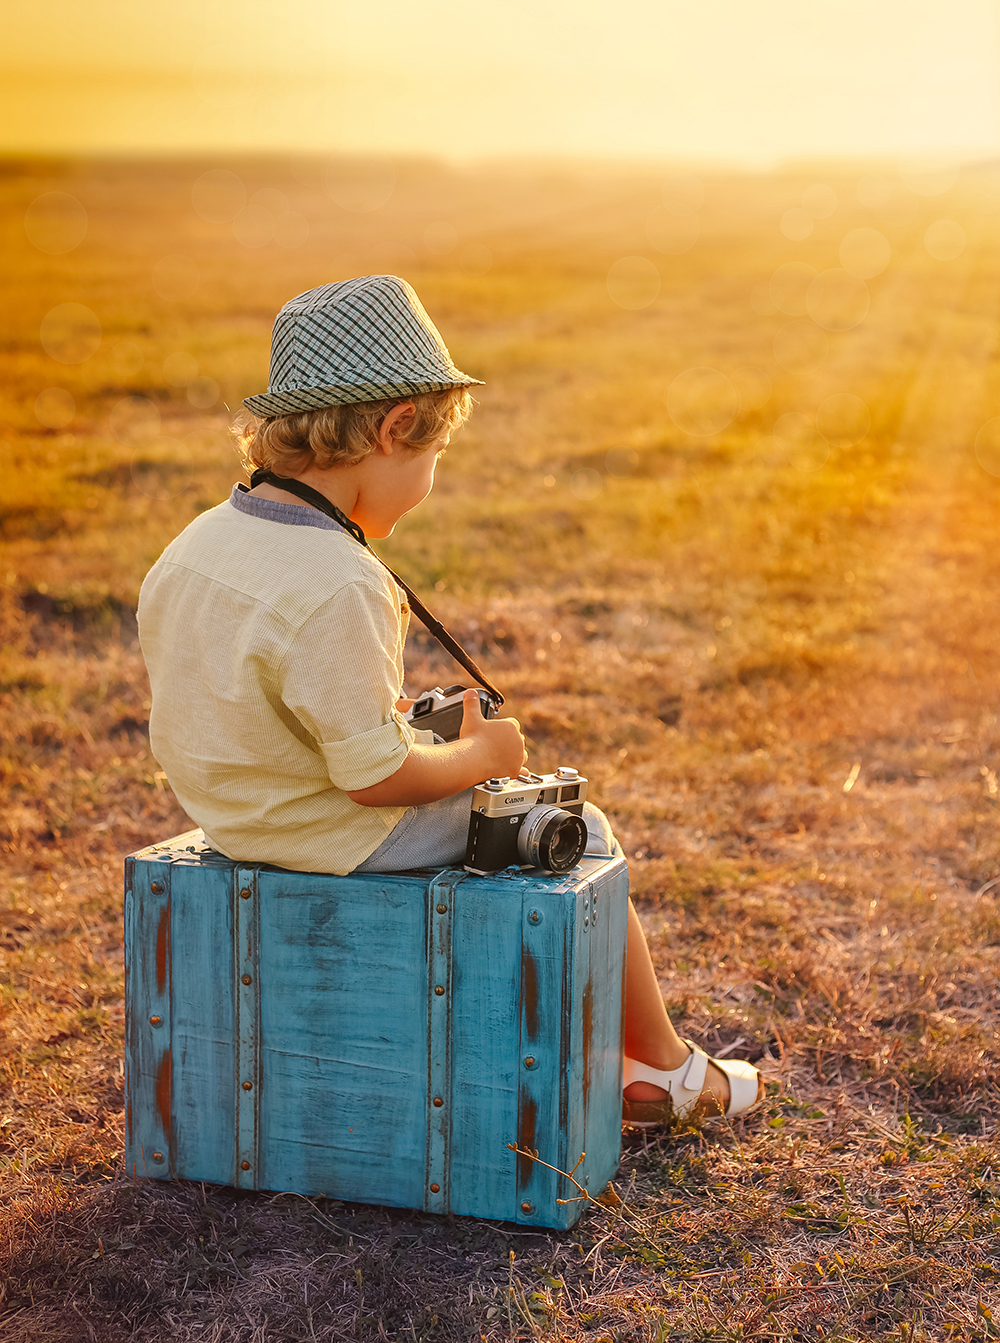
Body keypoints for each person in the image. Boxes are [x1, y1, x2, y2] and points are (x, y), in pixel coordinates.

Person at [138, 275, 761, 1126]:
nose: (431, 476)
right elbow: (373, 780)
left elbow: (260, 699)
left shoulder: (200, 539)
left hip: (234, 815)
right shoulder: (341, 582)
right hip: (333, 832)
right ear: (397, 428)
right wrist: (482, 758)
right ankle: (663, 1068)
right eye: (434, 456)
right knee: (582, 830)